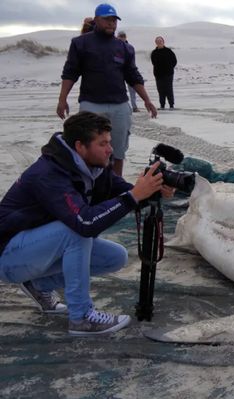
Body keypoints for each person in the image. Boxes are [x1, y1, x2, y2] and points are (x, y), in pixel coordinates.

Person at [0, 112, 170, 336]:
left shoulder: (95, 167)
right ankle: (81, 318)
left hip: (35, 250)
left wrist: (151, 190)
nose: (110, 149)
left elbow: (126, 193)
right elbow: (86, 223)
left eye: (109, 142)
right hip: (8, 255)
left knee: (115, 257)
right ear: (80, 147)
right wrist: (134, 196)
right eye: (103, 144)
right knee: (75, 231)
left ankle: (39, 285)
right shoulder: (49, 173)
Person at [57, 3, 158, 177]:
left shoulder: (124, 47)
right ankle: (91, 185)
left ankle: (115, 185)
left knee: (117, 151)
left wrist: (147, 100)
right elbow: (70, 72)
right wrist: (62, 98)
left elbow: (133, 76)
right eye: (107, 20)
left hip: (119, 106)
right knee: (90, 150)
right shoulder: (80, 43)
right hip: (91, 105)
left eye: (114, 20)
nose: (111, 23)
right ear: (96, 20)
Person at [150, 36, 178, 110]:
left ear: (163, 42)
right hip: (158, 75)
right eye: (158, 41)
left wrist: (169, 68)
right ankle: (162, 105)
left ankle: (171, 105)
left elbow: (174, 61)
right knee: (160, 90)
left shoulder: (168, 51)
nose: (159, 42)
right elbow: (153, 62)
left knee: (169, 89)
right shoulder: (154, 52)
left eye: (160, 41)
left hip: (168, 74)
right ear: (156, 43)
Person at [117, 31, 139, 112]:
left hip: (129, 71)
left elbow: (132, 61)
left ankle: (134, 106)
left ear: (125, 37)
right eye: (120, 36)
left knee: (132, 90)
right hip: (118, 72)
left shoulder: (130, 47)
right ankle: (126, 106)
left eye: (123, 36)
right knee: (121, 90)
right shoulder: (114, 46)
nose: (122, 38)